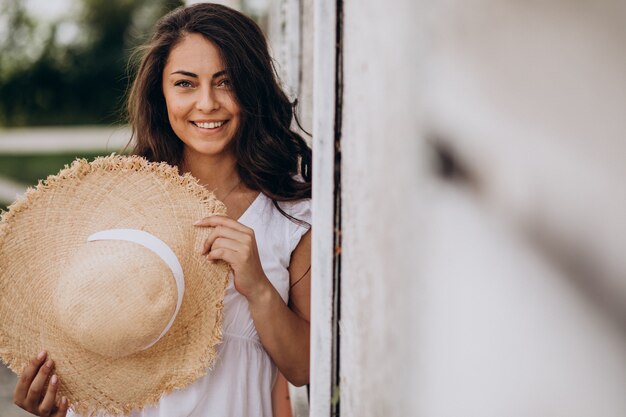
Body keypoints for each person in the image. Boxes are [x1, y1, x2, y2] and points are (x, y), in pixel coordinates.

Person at [12, 3, 312, 417]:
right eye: (185, 84)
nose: (206, 103)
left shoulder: (290, 217)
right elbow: (93, 359)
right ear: (161, 93)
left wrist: (259, 287)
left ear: (253, 87)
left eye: (226, 82)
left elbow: (302, 369)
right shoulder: (118, 205)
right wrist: (54, 406)